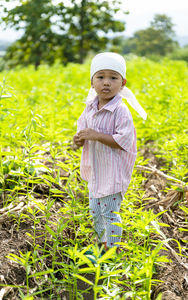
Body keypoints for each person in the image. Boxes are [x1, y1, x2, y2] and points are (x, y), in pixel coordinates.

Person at [73, 52, 147, 252]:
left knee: (109, 213)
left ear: (122, 83)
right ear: (92, 82)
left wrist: (96, 135)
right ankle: (102, 245)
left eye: (113, 78)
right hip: (96, 173)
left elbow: (122, 140)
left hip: (112, 174)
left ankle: (111, 252)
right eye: (101, 77)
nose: (106, 83)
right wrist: (78, 140)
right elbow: (81, 133)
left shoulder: (121, 111)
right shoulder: (89, 108)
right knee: (95, 212)